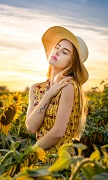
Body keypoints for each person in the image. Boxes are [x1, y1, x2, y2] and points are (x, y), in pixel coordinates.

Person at [26, 25, 89, 161]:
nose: (57, 51)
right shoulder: (36, 88)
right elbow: (31, 127)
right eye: (57, 47)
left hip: (60, 162)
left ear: (72, 62)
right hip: (40, 160)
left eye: (65, 52)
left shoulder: (69, 87)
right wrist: (48, 95)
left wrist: (29, 155)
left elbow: (58, 133)